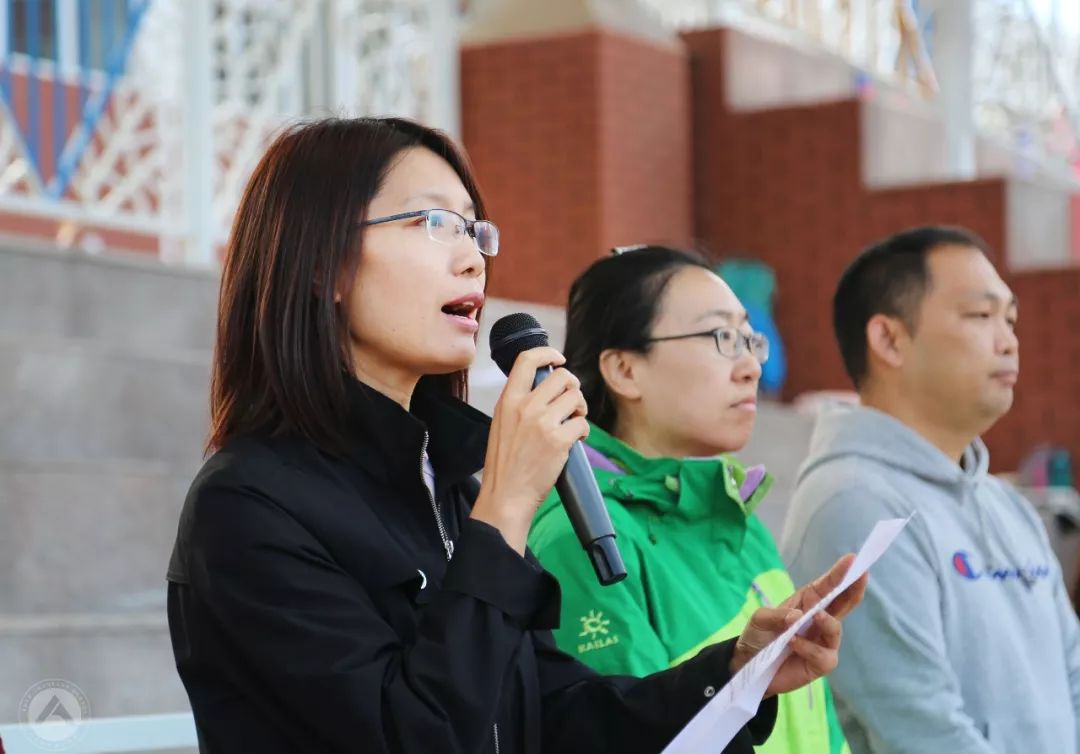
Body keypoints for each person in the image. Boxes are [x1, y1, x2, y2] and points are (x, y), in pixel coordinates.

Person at [165, 117, 866, 754]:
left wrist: (738, 672)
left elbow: (556, 718)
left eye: (475, 231)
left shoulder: (443, 485)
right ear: (323, 263)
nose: (473, 258)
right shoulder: (249, 508)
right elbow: (416, 738)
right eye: (435, 223)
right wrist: (501, 512)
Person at [528, 246, 850, 754]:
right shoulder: (581, 538)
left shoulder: (738, 519)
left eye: (750, 338)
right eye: (722, 337)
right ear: (625, 370)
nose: (751, 367)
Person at [780, 226, 1080, 753]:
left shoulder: (1006, 504)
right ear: (889, 340)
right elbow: (924, 733)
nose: (1009, 340)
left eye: (1010, 319)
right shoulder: (852, 503)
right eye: (981, 316)